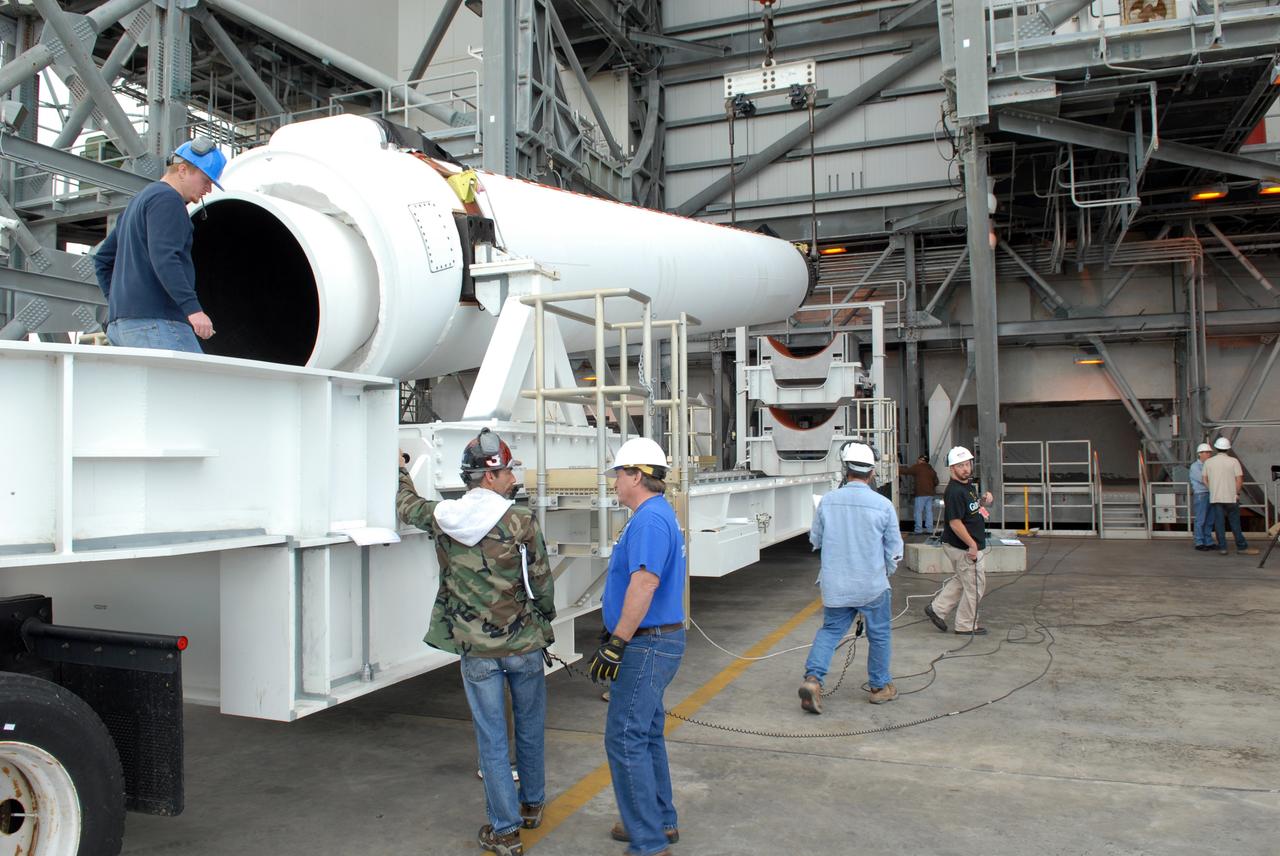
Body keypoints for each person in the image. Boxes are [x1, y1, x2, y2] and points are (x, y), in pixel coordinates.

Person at [396, 428, 555, 856]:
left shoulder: (445, 516)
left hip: (476, 651)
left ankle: (504, 831)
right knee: (529, 726)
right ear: (489, 476)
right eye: (507, 472)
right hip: (522, 645)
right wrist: (544, 619)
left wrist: (400, 471)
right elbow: (541, 581)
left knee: (492, 739)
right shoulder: (521, 521)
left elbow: (407, 505)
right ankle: (531, 805)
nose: (513, 478)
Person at [588, 437, 685, 856]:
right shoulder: (654, 515)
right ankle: (658, 822)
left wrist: (617, 642)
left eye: (618, 475)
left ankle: (648, 841)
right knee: (645, 734)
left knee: (625, 737)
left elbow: (644, 584)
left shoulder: (648, 521)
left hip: (647, 644)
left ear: (637, 476)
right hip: (654, 641)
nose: (614, 483)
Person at [93, 138, 227, 352]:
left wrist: (123, 306)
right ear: (182, 170)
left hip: (122, 327)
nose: (208, 189)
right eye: (206, 180)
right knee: (196, 375)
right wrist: (193, 310)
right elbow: (165, 257)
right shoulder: (168, 199)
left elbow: (102, 260)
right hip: (158, 324)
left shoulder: (138, 202)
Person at [799, 442, 904, 714]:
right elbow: (895, 551)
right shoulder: (883, 505)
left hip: (836, 584)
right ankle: (879, 687)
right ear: (872, 473)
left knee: (830, 631)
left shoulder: (827, 501)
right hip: (872, 585)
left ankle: (813, 680)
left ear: (845, 470)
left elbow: (816, 540)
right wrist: (884, 572)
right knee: (879, 635)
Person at [924, 446, 994, 635]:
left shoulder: (967, 486)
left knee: (963, 580)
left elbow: (970, 509)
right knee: (975, 587)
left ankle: (937, 609)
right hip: (963, 547)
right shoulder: (954, 491)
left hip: (963, 545)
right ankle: (965, 625)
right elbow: (955, 523)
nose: (965, 469)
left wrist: (983, 502)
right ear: (952, 468)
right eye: (960, 465)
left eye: (967, 464)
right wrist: (972, 545)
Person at [1202, 437, 1259, 556]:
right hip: (1231, 498)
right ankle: (1241, 547)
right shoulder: (1234, 461)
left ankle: (1223, 548)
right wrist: (1236, 493)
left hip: (1216, 498)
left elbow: (1204, 479)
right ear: (1228, 448)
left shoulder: (1209, 462)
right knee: (1235, 523)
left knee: (1219, 524)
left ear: (1216, 448)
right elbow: (1239, 480)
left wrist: (1212, 490)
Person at [904, 454, 939, 534]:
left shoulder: (918, 467)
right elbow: (936, 482)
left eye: (918, 459)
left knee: (918, 512)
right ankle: (929, 529)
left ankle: (918, 530)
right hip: (930, 494)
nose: (917, 460)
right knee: (929, 512)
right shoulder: (931, 469)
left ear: (921, 460)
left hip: (921, 494)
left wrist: (896, 468)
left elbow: (907, 471)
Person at [1189, 443, 1214, 552]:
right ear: (1200, 454)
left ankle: (1208, 541)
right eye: (1206, 452)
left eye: (1209, 452)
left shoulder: (1210, 465)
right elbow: (1204, 479)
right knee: (1201, 519)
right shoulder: (1195, 466)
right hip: (1201, 494)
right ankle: (1199, 542)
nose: (1209, 454)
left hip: (1210, 493)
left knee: (1209, 519)